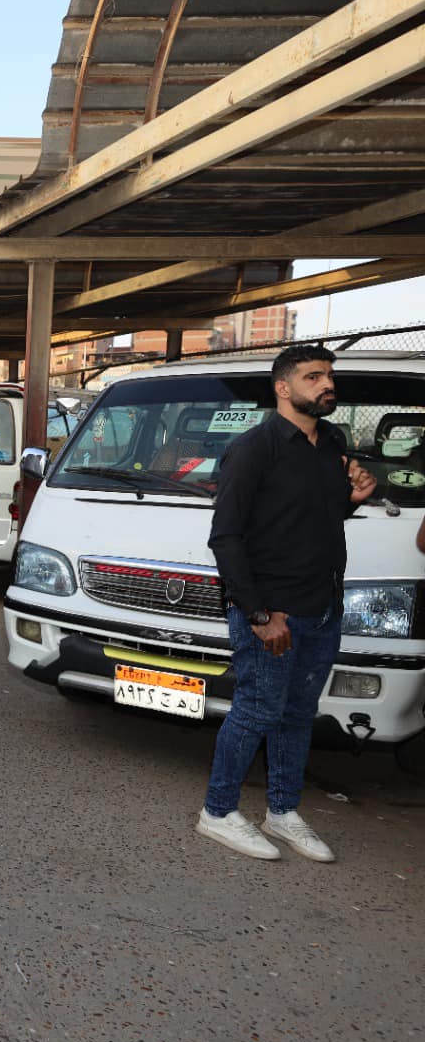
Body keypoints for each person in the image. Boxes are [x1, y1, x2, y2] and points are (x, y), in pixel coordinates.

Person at [195, 345, 375, 862]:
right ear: (282, 388)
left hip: (322, 607)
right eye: (313, 376)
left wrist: (351, 501)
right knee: (256, 711)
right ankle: (218, 811)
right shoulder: (254, 449)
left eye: (329, 376)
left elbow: (311, 516)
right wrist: (258, 614)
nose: (327, 384)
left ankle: (282, 811)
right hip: (272, 613)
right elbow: (226, 537)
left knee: (297, 715)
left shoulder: (331, 442)